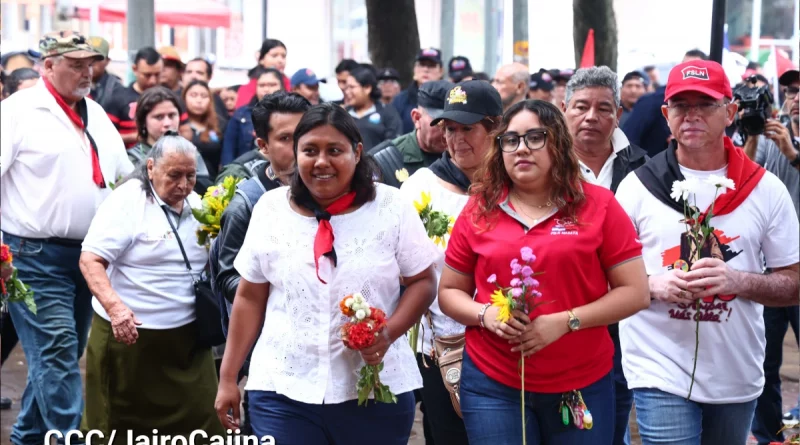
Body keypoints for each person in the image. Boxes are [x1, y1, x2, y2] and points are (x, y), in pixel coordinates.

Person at [214, 102, 438, 444]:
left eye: (334, 150)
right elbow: (249, 296)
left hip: (375, 391)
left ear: (357, 152)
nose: (321, 161)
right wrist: (228, 377)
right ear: (295, 153)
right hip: (282, 389)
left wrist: (388, 333)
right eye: (310, 150)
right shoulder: (270, 209)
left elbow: (422, 281)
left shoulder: (391, 207)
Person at [438, 99, 650, 444]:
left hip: (580, 381)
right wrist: (486, 314)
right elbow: (448, 292)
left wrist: (567, 320)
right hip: (494, 385)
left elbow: (635, 293)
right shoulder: (479, 208)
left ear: (558, 143)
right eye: (510, 140)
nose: (521, 149)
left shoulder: (600, 206)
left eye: (535, 137)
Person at [614, 60, 800, 445]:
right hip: (658, 369)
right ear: (666, 115)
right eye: (681, 105)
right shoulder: (637, 187)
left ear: (731, 112)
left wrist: (738, 280)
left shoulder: (765, 189)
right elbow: (603, 275)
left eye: (706, 104)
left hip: (735, 374)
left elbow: (794, 283)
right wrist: (652, 286)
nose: (692, 115)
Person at [0, 31, 134, 445]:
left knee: (56, 358)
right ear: (49, 65)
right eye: (74, 64)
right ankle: (72, 438)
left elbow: (122, 179)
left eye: (89, 63)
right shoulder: (18, 111)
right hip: (31, 256)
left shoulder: (94, 113)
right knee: (56, 356)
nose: (85, 71)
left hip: (87, 258)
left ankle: (27, 437)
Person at [79, 132, 224, 438]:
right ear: (150, 168)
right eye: (174, 175)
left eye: (190, 175)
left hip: (188, 344)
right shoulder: (128, 201)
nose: (183, 185)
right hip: (129, 341)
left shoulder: (198, 203)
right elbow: (90, 261)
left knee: (205, 425)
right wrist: (116, 308)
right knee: (117, 429)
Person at [399, 79, 503, 445]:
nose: (457, 139)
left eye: (468, 129)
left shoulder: (519, 183)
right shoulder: (419, 187)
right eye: (449, 128)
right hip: (442, 347)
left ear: (496, 128)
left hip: (508, 341)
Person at [211, 92, 311, 429]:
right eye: (285, 138)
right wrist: (283, 287)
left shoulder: (335, 191)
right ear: (262, 145)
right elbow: (226, 276)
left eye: (305, 133)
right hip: (269, 346)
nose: (299, 146)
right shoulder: (248, 203)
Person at [561, 66, 649, 445]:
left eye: (603, 108)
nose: (591, 117)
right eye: (581, 107)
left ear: (619, 113)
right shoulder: (541, 168)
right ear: (563, 109)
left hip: (624, 325)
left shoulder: (646, 169)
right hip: (559, 320)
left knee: (610, 428)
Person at [746, 69, 800, 445]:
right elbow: (742, 174)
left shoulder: (786, 143)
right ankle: (770, 436)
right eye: (790, 90)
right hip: (770, 266)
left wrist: (793, 154)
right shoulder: (771, 132)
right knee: (763, 363)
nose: (794, 96)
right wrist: (751, 134)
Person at [623, 49, 709, 157]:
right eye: (685, 67)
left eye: (695, 69)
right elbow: (628, 142)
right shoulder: (652, 102)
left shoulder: (713, 106)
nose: (689, 73)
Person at [128, 86, 212, 193]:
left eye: (172, 115)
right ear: (143, 122)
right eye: (159, 117)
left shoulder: (190, 153)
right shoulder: (132, 159)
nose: (167, 123)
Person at [368, 80, 453, 186]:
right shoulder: (384, 160)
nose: (447, 133)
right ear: (416, 118)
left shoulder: (466, 157)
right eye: (440, 124)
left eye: (453, 126)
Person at [106, 46, 191, 149]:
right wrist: (140, 137)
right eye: (147, 75)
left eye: (157, 74)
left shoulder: (171, 98)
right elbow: (106, 138)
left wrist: (170, 137)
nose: (153, 81)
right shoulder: (118, 98)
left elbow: (187, 132)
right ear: (135, 69)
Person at [221, 67, 285, 166]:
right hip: (245, 172)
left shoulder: (291, 115)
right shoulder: (241, 114)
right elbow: (228, 150)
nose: (266, 89)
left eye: (272, 85)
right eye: (261, 85)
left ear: (282, 86)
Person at [344, 66, 403, 151]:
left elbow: (394, 145)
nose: (347, 92)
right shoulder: (344, 114)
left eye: (352, 87)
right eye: (347, 88)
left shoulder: (388, 113)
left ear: (367, 88)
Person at [183, 79, 228, 179]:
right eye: (193, 95)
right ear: (184, 98)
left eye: (204, 96)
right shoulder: (177, 124)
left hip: (211, 183)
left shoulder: (220, 124)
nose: (199, 100)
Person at [393, 48, 444, 134]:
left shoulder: (449, 97)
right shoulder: (400, 100)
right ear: (414, 69)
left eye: (431, 65)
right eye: (422, 65)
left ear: (441, 71)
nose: (426, 69)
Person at [235, 39, 289, 109]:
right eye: (274, 55)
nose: (280, 60)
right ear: (261, 60)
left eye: (283, 56)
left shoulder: (291, 85)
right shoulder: (247, 89)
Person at [87, 36, 121, 109]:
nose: (92, 62)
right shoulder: (73, 82)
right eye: (89, 57)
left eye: (98, 58)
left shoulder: (115, 87)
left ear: (107, 61)